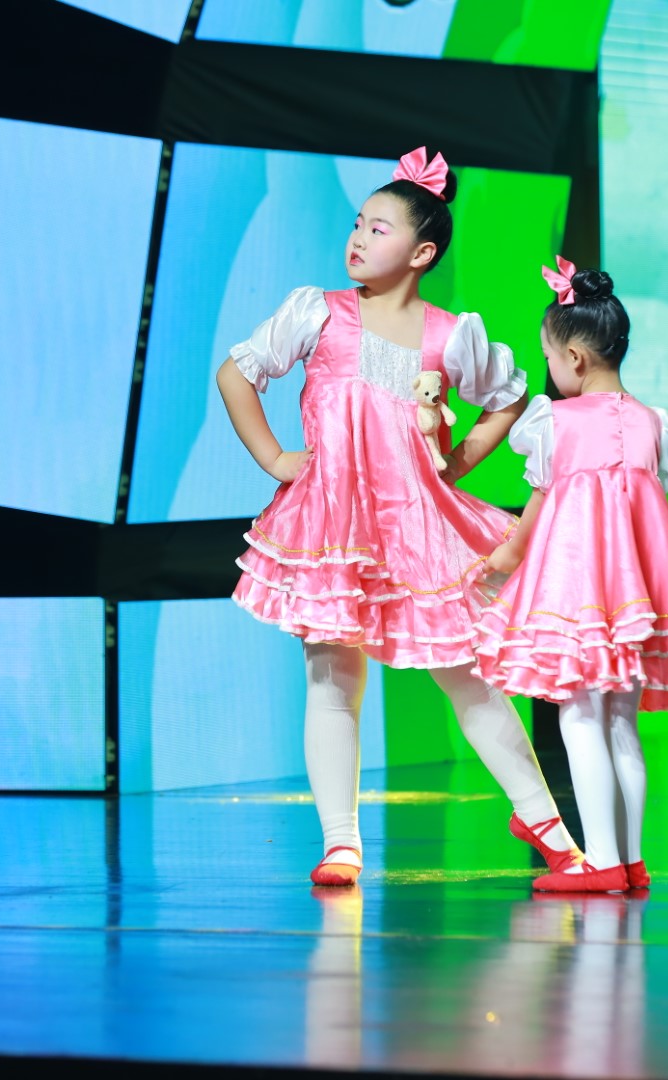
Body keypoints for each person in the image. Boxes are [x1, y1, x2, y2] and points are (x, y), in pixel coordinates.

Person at [215, 148, 583, 887]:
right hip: (332, 525)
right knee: (331, 677)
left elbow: (508, 398)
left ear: (421, 253)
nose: (357, 237)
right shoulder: (319, 313)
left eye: (378, 228)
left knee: (469, 679)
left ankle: (546, 825)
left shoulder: (451, 334)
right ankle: (340, 843)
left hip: (419, 530)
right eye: (358, 223)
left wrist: (455, 464)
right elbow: (237, 372)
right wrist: (275, 458)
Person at [474, 259, 668, 893]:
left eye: (549, 358)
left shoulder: (554, 423)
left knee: (580, 718)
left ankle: (602, 863)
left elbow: (539, 505)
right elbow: (646, 506)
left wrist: (505, 557)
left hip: (580, 594)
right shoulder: (656, 424)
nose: (550, 371)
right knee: (621, 724)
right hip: (637, 597)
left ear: (575, 358)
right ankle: (630, 861)